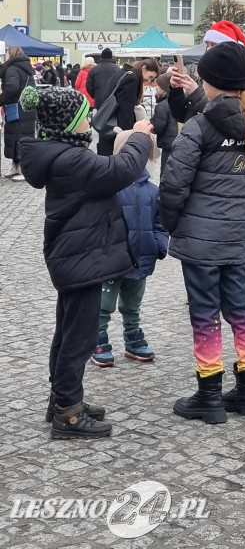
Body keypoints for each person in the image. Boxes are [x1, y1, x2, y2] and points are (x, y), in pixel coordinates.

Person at [18, 84, 154, 439]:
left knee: (67, 333)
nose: (89, 120)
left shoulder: (60, 153)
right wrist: (140, 136)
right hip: (81, 259)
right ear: (68, 122)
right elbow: (122, 169)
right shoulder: (72, 159)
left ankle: (62, 399)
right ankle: (69, 414)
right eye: (84, 115)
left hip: (76, 257)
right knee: (79, 338)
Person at [159, 41, 245, 424]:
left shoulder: (199, 126)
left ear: (209, 82)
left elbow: (174, 183)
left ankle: (209, 395)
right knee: (242, 311)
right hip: (237, 238)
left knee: (205, 314)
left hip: (200, 241)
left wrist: (172, 224)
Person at [91, 130, 168, 367]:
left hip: (141, 258)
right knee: (103, 306)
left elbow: (160, 222)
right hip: (112, 261)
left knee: (133, 305)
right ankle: (97, 338)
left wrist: (158, 245)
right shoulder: (108, 189)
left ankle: (133, 337)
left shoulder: (153, 191)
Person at [169, 21, 245, 124]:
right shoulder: (202, 77)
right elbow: (180, 116)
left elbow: (226, 118)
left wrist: (196, 94)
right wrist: (176, 90)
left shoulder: (240, 83)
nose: (208, 49)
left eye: (213, 45)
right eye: (207, 45)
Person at [97, 58, 159, 156]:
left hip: (108, 124)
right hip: (116, 129)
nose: (149, 80)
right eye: (150, 76)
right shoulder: (132, 79)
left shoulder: (123, 73)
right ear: (144, 68)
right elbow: (125, 111)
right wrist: (127, 135)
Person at [0, 46, 36, 181]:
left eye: (6, 53)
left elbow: (12, 88)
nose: (5, 55)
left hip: (17, 107)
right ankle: (16, 167)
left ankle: (22, 170)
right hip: (26, 108)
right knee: (19, 137)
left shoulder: (12, 68)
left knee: (18, 138)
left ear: (11, 54)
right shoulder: (25, 67)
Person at [151, 71, 178, 173]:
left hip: (168, 143)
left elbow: (158, 126)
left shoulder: (162, 105)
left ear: (164, 88)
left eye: (157, 86)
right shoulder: (175, 101)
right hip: (176, 141)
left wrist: (151, 122)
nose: (155, 88)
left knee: (165, 170)